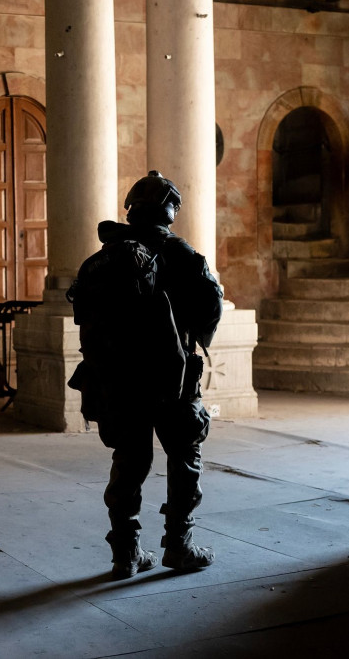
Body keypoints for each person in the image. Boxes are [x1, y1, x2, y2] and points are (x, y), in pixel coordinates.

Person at [67, 171, 224, 579]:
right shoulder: (179, 252)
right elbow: (211, 305)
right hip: (173, 379)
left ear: (132, 210)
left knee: (129, 462)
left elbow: (82, 315)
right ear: (169, 210)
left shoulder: (103, 259)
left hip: (119, 380)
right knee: (184, 457)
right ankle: (179, 545)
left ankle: (126, 554)